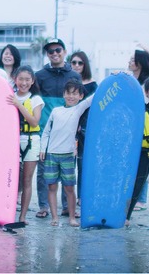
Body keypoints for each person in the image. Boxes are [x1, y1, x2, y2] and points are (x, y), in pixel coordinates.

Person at [34, 38, 81, 219]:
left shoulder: (74, 76)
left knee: (68, 170)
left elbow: (80, 103)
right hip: (45, 129)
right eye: (50, 51)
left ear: (64, 51)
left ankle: (66, 207)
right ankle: (43, 206)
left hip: (68, 131)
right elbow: (35, 101)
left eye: (58, 50)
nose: (54, 53)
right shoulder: (40, 75)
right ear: (47, 54)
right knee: (43, 169)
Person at [40, 79, 94, 227]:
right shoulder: (56, 111)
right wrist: (42, 149)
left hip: (68, 155)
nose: (71, 96)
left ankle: (72, 218)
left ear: (80, 96)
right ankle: (54, 218)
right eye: (68, 93)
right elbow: (46, 132)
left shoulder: (78, 109)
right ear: (63, 94)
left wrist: (113, 78)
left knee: (69, 187)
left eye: (75, 94)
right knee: (51, 187)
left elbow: (93, 98)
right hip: (51, 154)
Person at [6, 65, 44, 225]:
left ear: (32, 81)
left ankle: (22, 217)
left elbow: (34, 121)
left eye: (27, 79)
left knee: (27, 180)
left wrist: (19, 104)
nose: (23, 82)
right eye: (20, 79)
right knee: (11, 180)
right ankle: (7, 213)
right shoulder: (10, 96)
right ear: (15, 79)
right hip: (12, 142)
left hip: (31, 141)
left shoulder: (36, 99)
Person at [125, 76, 149, 227]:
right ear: (146, 92)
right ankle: (126, 217)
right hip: (145, 152)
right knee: (137, 184)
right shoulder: (141, 109)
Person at [69, 51, 98, 206]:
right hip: (68, 128)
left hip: (86, 130)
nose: (77, 65)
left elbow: (96, 108)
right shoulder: (68, 82)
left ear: (85, 64)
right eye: (74, 62)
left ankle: (81, 197)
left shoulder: (93, 85)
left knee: (83, 165)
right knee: (67, 166)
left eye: (80, 63)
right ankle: (68, 200)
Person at [128, 49, 149, 210]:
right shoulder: (130, 80)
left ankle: (141, 199)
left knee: (143, 162)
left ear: (139, 64)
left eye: (132, 59)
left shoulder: (146, 84)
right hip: (132, 128)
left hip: (145, 129)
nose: (129, 61)